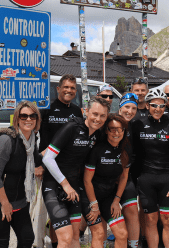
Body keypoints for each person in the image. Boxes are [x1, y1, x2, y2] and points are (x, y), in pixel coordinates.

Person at [42, 96, 110, 248]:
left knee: (74, 237)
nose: (98, 119)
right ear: (86, 111)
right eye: (95, 114)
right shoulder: (71, 127)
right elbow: (48, 159)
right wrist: (65, 184)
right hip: (54, 185)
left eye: (102, 116)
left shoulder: (97, 135)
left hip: (74, 186)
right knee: (65, 238)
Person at [0, 101, 43, 248]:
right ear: (17, 119)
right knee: (2, 241)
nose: (28, 119)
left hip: (19, 200)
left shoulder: (32, 140)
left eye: (32, 116)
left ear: (37, 119)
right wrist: (5, 204)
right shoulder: (6, 140)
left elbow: (36, 159)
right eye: (24, 116)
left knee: (27, 238)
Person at [132, 89, 169, 248]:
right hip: (146, 180)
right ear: (147, 106)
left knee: (168, 220)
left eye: (161, 106)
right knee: (150, 220)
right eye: (154, 105)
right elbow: (133, 154)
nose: (157, 109)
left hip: (167, 180)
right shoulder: (138, 125)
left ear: (165, 107)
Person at [82, 114, 130, 248]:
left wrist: (116, 200)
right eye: (112, 129)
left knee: (122, 234)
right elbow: (87, 180)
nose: (116, 132)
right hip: (90, 198)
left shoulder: (125, 149)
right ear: (106, 131)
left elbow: (124, 177)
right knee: (98, 234)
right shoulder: (97, 150)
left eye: (120, 129)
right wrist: (94, 205)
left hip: (108, 198)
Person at [39, 74, 82, 153]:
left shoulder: (77, 111)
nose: (69, 90)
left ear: (75, 91)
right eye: (66, 87)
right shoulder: (46, 108)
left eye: (72, 88)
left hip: (67, 160)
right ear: (58, 89)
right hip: (46, 159)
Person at [118, 93, 140, 248]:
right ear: (120, 108)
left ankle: (133, 245)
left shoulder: (135, 125)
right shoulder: (109, 122)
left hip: (126, 176)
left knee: (132, 211)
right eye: (126, 107)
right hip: (105, 176)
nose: (129, 111)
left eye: (133, 108)